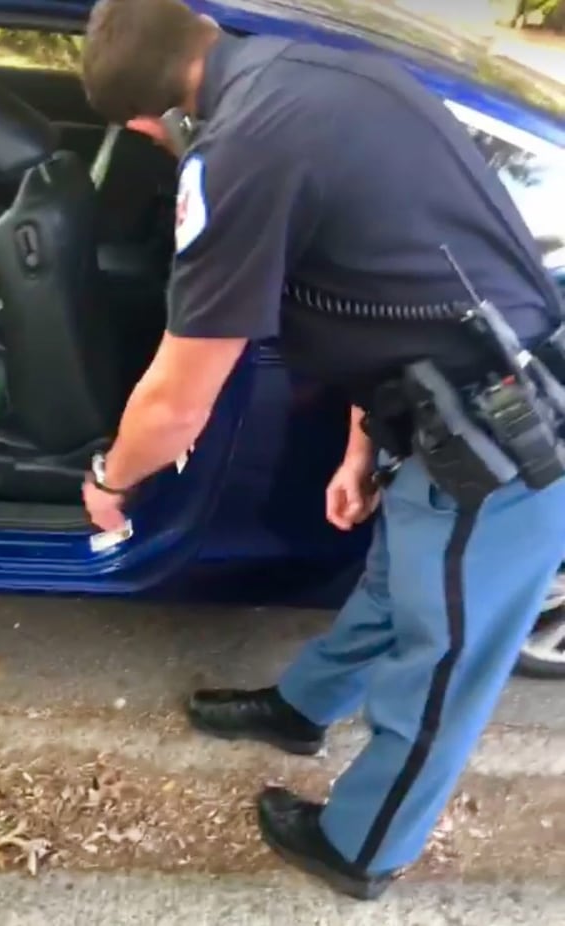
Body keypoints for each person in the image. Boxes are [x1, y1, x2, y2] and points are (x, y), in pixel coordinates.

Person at [80, 0, 565, 902]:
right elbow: (376, 273)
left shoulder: (241, 153)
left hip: (505, 440)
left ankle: (361, 848)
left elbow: (180, 398)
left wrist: (112, 480)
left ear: (150, 122)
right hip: (438, 412)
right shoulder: (319, 71)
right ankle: (305, 709)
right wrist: (362, 447)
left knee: (442, 659)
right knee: (392, 586)